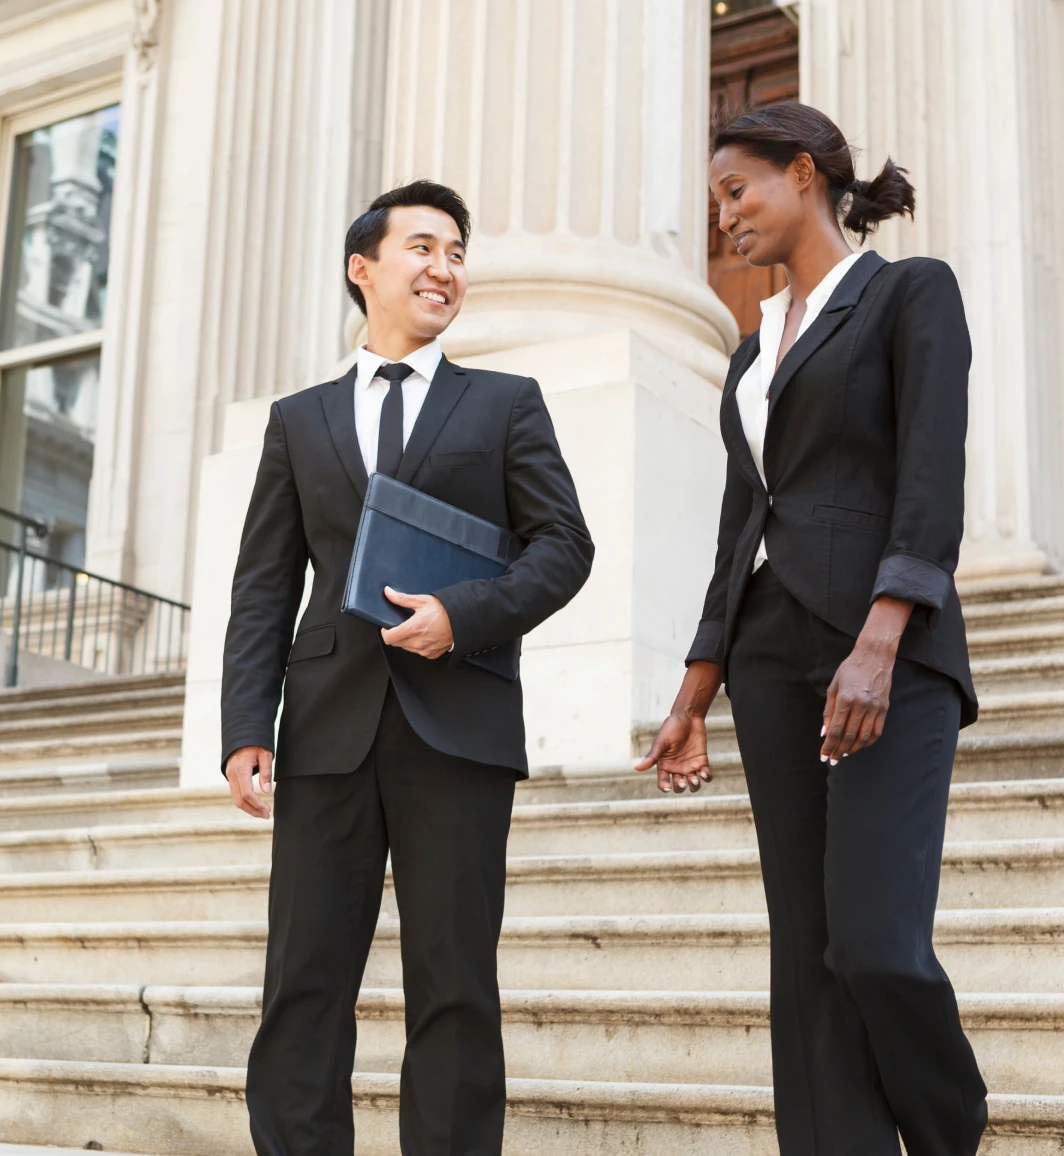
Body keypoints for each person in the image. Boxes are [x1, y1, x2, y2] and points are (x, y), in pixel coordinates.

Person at [637, 102, 987, 1156]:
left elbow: (928, 471)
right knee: (808, 949)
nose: (724, 216)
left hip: (884, 644)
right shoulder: (748, 352)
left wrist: (881, 637)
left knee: (874, 943)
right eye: (713, 201)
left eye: (735, 190)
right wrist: (694, 692)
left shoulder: (906, 294)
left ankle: (945, 1126)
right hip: (768, 650)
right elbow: (739, 520)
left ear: (800, 175)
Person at [221, 179, 594, 1156]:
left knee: (455, 987)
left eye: (457, 251)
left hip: (458, 731)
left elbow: (563, 547)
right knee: (303, 981)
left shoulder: (506, 405)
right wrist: (244, 728)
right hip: (325, 733)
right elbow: (263, 584)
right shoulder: (296, 421)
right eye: (423, 247)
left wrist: (459, 616)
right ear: (365, 268)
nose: (444, 267)